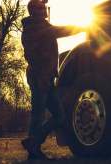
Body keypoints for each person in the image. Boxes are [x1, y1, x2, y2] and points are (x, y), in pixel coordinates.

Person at [21, 0, 87, 160]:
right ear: (35, 11)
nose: (45, 11)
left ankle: (33, 143)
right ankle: (33, 147)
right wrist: (84, 26)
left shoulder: (35, 27)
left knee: (58, 116)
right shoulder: (39, 28)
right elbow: (63, 30)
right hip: (40, 78)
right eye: (42, 8)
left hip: (46, 78)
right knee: (39, 115)